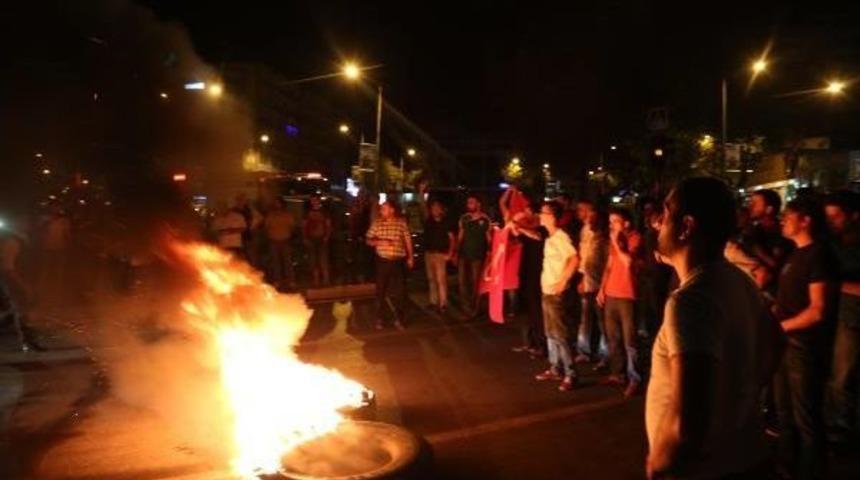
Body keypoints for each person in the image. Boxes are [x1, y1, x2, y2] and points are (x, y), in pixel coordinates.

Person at [646, 177, 785, 480]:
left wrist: (659, 462)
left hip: (708, 469)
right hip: (747, 455)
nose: (658, 222)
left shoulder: (692, 301)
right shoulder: (739, 281)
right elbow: (776, 341)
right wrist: (740, 397)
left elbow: (687, 423)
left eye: (666, 214)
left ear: (686, 226)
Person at [773, 196, 836, 480]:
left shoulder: (819, 255)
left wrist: (781, 327)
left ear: (806, 220)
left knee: (806, 419)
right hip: (785, 344)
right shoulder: (795, 254)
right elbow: (788, 300)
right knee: (785, 415)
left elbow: (817, 310)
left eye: (789, 215)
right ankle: (788, 469)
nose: (783, 220)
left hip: (804, 348)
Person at [824, 190, 860, 448]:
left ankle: (841, 431)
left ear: (854, 216)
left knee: (843, 376)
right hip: (839, 317)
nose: (831, 221)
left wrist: (837, 285)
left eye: (836, 216)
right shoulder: (831, 243)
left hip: (852, 319)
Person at [533, 201, 581, 391]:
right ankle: (555, 368)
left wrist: (563, 281)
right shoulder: (550, 237)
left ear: (553, 217)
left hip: (555, 293)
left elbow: (574, 258)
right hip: (547, 291)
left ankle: (571, 374)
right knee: (550, 333)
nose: (541, 215)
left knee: (560, 334)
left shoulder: (561, 237)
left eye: (544, 213)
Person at [598, 207, 643, 397]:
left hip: (627, 295)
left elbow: (628, 262)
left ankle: (634, 378)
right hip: (611, 294)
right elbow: (609, 265)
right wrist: (602, 288)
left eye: (615, 221)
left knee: (630, 340)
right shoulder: (613, 241)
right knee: (613, 338)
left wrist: (617, 241)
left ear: (626, 223)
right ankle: (618, 373)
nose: (611, 225)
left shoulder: (635, 238)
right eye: (610, 222)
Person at [366, 200, 414, 330]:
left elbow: (408, 240)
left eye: (384, 208)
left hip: (398, 261)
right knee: (380, 291)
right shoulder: (377, 223)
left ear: (392, 210)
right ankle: (379, 318)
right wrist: (380, 242)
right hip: (383, 261)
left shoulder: (401, 222)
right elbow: (368, 240)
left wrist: (410, 257)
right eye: (381, 209)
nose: (381, 211)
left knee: (400, 292)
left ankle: (399, 319)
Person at [574, 198, 609, 364]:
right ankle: (584, 350)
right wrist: (581, 277)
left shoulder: (604, 236)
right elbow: (583, 257)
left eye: (583, 210)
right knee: (586, 317)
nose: (581, 214)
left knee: (603, 321)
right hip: (588, 280)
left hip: (602, 282)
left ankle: (604, 353)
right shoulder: (584, 230)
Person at [510, 199, 546, 356]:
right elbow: (516, 235)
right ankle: (528, 342)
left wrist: (520, 227)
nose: (525, 214)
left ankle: (541, 345)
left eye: (527, 211)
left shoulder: (544, 230)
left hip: (536, 277)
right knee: (526, 312)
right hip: (524, 276)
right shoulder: (526, 229)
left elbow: (536, 236)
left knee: (537, 312)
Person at [746, 189, 793, 295]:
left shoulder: (782, 233)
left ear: (769, 209)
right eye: (750, 202)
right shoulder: (755, 230)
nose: (750, 206)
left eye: (756, 203)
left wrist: (758, 251)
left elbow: (779, 265)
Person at [457, 194, 491, 316]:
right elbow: (460, 237)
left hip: (477, 255)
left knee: (475, 281)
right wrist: (456, 252)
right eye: (468, 203)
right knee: (462, 281)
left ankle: (474, 307)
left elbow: (489, 238)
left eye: (472, 202)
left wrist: (490, 251)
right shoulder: (464, 218)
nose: (469, 204)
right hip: (463, 255)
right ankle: (465, 307)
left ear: (478, 204)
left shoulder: (485, 219)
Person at [423, 199, 455, 313]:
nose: (434, 210)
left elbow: (452, 239)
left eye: (437, 208)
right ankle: (433, 301)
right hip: (429, 253)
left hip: (441, 254)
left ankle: (443, 303)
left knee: (441, 280)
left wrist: (450, 253)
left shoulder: (446, 222)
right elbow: (423, 207)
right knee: (431, 279)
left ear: (441, 210)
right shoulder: (429, 221)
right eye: (433, 208)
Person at [264, 198, 296, 290]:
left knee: (287, 262)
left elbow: (292, 226)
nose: (277, 205)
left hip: (285, 240)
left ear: (282, 205)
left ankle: (291, 281)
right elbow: (266, 227)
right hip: (273, 241)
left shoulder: (287, 215)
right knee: (276, 262)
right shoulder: (270, 215)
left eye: (278, 204)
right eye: (275, 204)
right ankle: (277, 281)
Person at [303, 194, 332, 286]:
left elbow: (328, 225)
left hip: (322, 238)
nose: (314, 202)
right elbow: (304, 225)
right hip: (312, 238)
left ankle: (326, 280)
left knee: (323, 260)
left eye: (315, 200)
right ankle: (316, 280)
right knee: (313, 260)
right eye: (312, 200)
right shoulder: (307, 212)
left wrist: (327, 236)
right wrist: (305, 237)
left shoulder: (324, 212)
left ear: (319, 201)